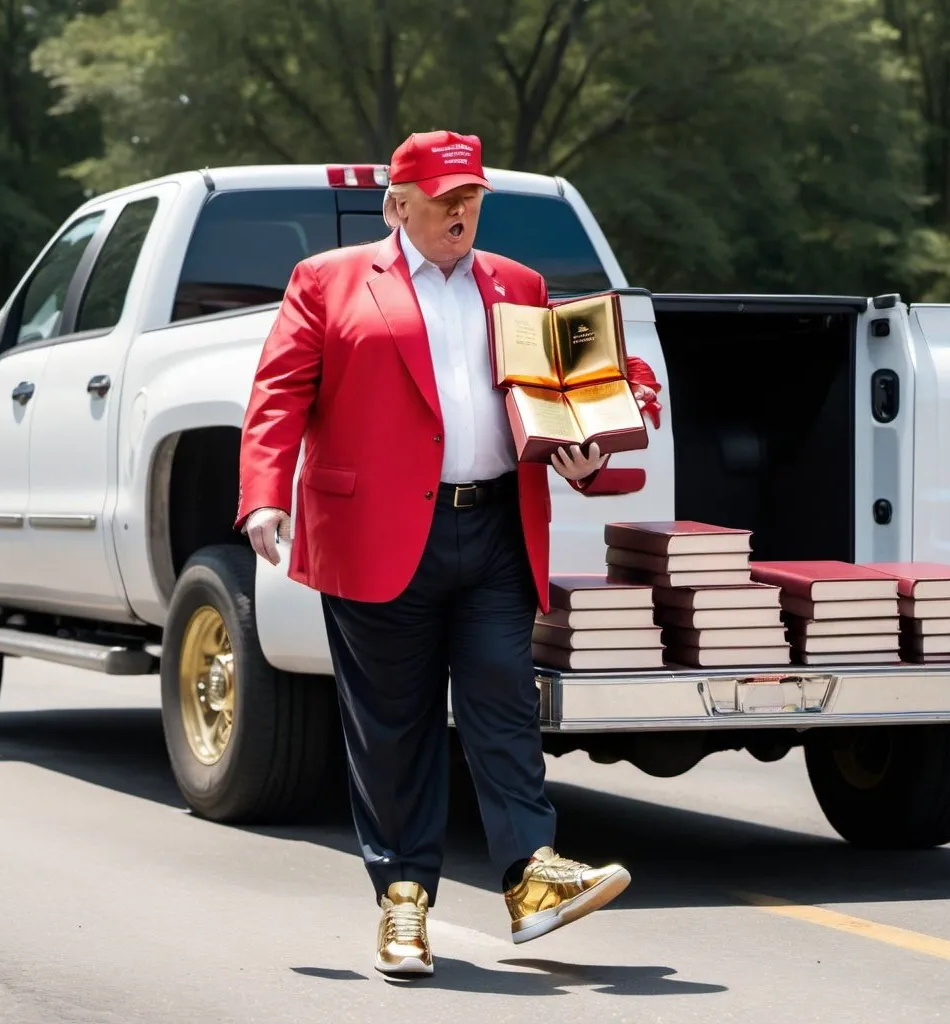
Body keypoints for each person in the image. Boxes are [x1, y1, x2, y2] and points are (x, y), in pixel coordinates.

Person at [236, 130, 662, 979]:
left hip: (497, 527)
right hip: (377, 538)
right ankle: (403, 903)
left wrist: (585, 446)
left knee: (504, 698)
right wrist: (263, 495)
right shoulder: (329, 280)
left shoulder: (520, 284)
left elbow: (556, 392)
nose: (460, 213)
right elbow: (280, 391)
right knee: (394, 726)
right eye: (442, 201)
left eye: (471, 198)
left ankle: (531, 878)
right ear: (398, 205)